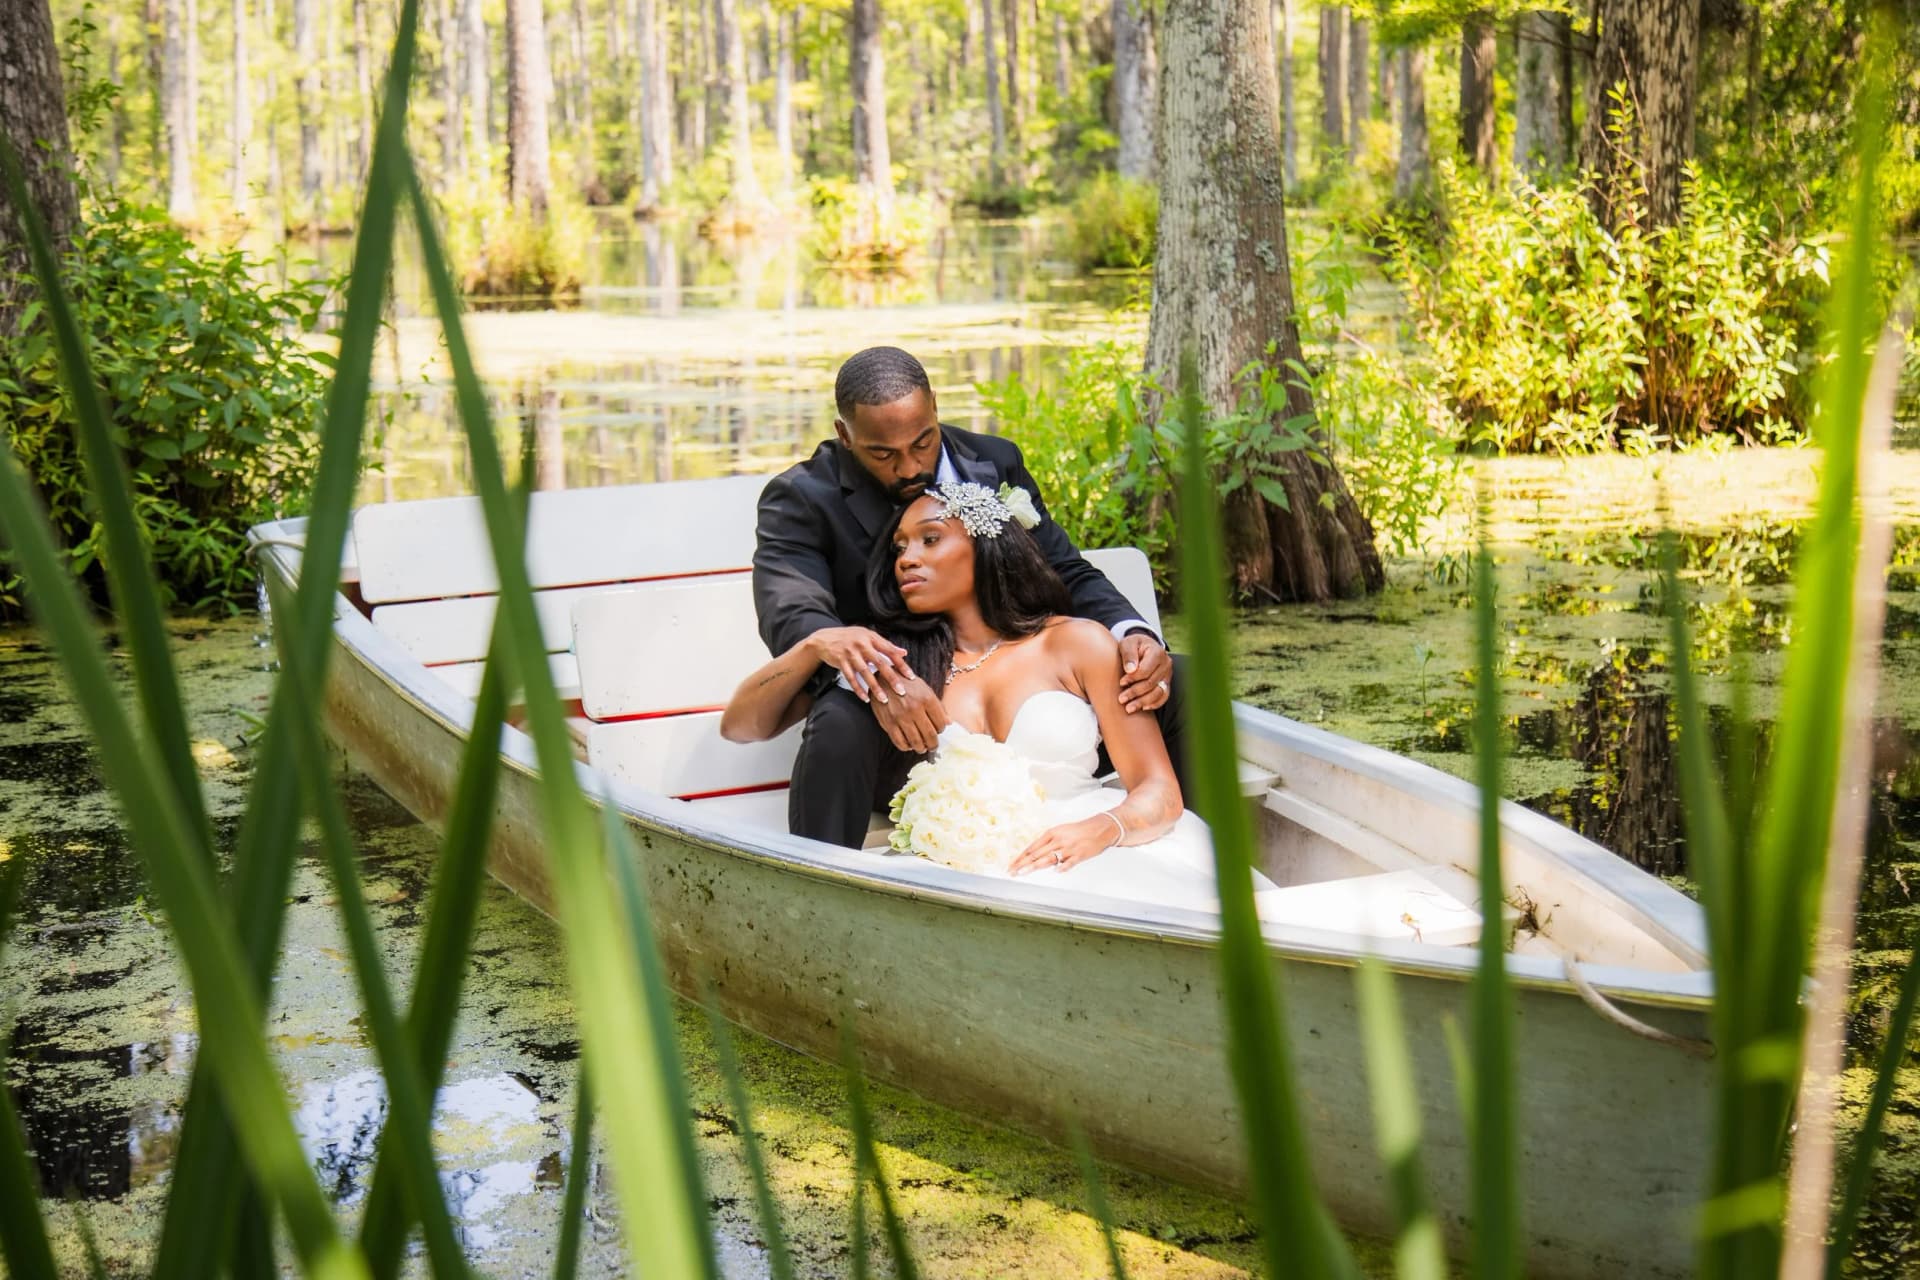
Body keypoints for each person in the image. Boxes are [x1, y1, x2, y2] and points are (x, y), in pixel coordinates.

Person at [725, 481, 1275, 913]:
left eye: (930, 539)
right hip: (962, 870)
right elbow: (741, 725)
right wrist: (816, 645)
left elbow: (1157, 791)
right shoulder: (896, 665)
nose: (906, 559)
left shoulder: (1076, 643)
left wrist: (1101, 830)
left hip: (1084, 840)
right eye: (899, 547)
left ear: (985, 544)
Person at [751, 345, 1187, 849]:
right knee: (838, 722)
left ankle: (1172, 834)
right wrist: (882, 682)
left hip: (1022, 689)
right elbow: (795, 615)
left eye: (922, 443)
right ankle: (820, 885)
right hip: (903, 714)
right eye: (883, 455)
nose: (911, 467)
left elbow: (1063, 569)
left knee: (1180, 681)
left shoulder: (994, 461)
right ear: (844, 434)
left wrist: (1132, 634)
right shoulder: (802, 497)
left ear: (935, 407)